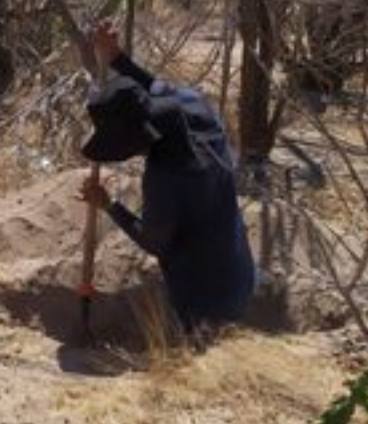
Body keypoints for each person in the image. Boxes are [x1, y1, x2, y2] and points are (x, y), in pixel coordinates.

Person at [78, 20, 256, 334]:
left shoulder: (168, 177)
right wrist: (116, 57)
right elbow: (152, 86)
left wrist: (108, 205)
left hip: (204, 299)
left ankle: (199, 340)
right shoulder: (193, 106)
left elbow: (154, 242)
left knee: (203, 357)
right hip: (239, 268)